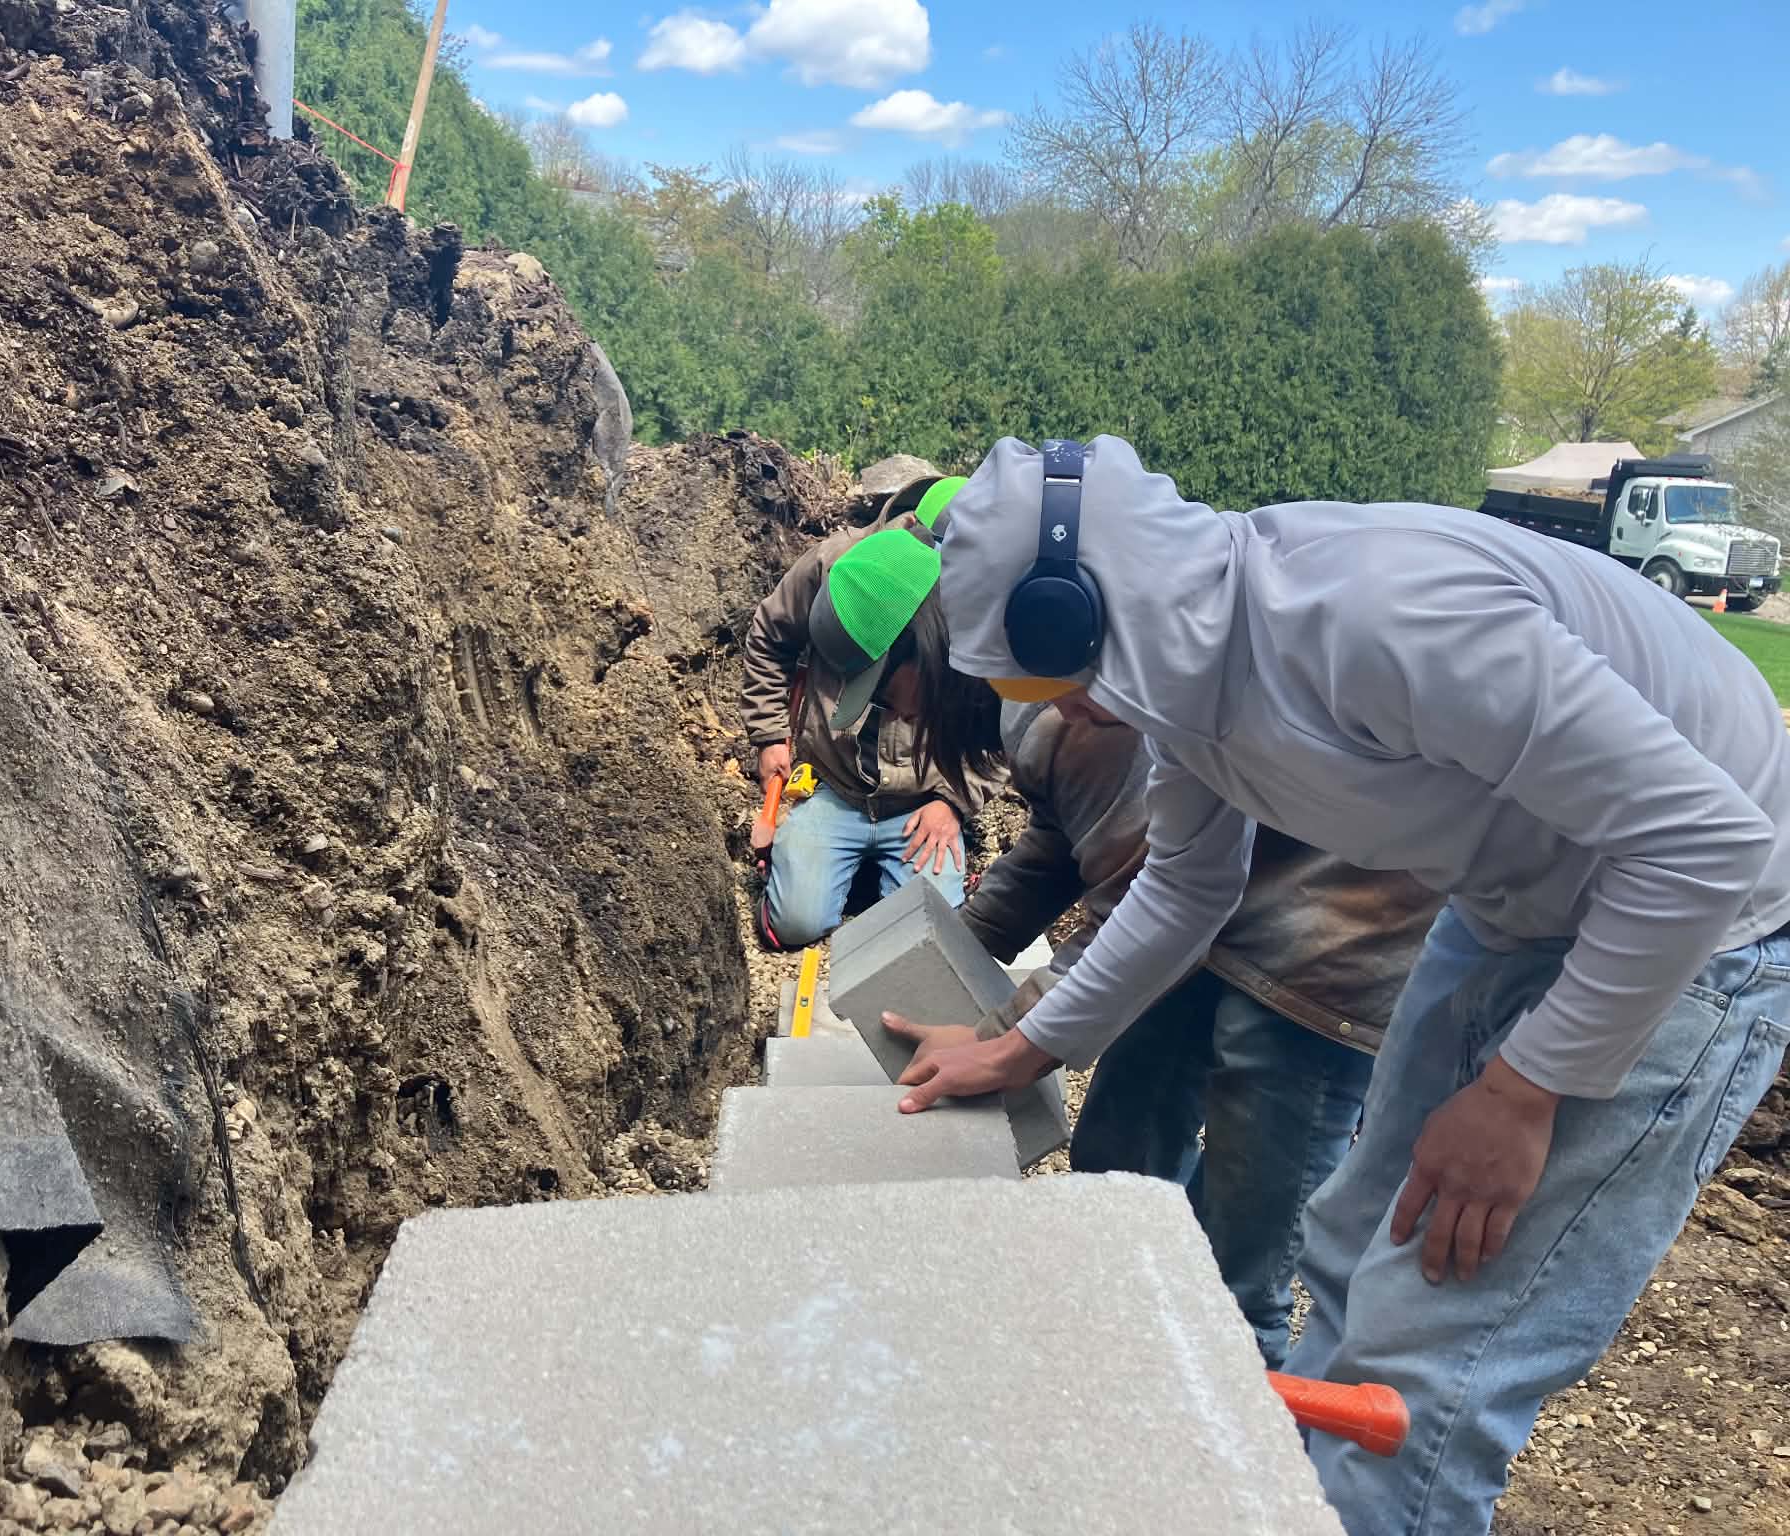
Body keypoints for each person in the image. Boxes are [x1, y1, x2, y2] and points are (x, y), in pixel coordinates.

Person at [901, 436, 1790, 1535]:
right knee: (1351, 1237)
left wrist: (1523, 1091)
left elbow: (1701, 844)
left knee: (1428, 1374)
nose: (1056, 711)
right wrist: (1019, 1047)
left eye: (1036, 676)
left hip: (1698, 927)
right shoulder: (1190, 687)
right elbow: (1186, 886)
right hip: (1513, 903)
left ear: (1077, 615)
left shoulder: (1372, 618)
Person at [911, 698, 1439, 1368]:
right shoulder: (1056, 710)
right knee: (1117, 1154)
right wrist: (958, 944)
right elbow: (1082, 849)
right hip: (1216, 917)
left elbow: (1134, 905)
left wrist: (1003, 1041)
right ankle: (1126, 1346)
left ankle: (1224, 1417)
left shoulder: (1085, 717)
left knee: (1238, 1260)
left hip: (1328, 959)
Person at [740, 480, 1005, 948]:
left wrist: (953, 803)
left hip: (922, 805)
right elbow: (770, 636)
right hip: (836, 786)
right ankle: (831, 873)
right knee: (795, 926)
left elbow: (1005, 728)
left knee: (927, 938)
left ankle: (869, 878)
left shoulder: (981, 610)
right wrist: (769, 735)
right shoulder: (838, 568)